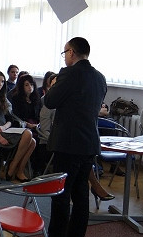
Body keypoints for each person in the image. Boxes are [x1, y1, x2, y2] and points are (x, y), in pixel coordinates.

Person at [31, 37, 107, 237]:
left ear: (72, 52)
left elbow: (50, 101)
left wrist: (53, 88)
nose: (64, 57)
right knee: (81, 192)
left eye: (65, 53)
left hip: (68, 143)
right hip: (89, 142)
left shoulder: (69, 73)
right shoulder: (100, 77)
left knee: (61, 193)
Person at [39, 74, 115, 204]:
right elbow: (44, 129)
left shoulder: (72, 102)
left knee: (81, 156)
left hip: (72, 140)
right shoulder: (48, 104)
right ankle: (95, 185)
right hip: (55, 141)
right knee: (81, 159)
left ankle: (94, 186)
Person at [0, 71, 36, 182]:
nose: (0, 84)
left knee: (33, 142)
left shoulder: (3, 96)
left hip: (4, 128)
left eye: (2, 81)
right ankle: (11, 169)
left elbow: (10, 118)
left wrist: (5, 127)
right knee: (28, 133)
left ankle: (18, 171)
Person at [10, 74, 43, 175]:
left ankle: (38, 169)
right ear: (22, 87)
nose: (30, 87)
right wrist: (28, 125)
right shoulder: (16, 99)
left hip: (36, 125)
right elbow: (16, 117)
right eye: (27, 85)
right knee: (35, 139)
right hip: (22, 126)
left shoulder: (36, 99)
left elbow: (39, 115)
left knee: (43, 140)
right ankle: (23, 169)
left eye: (32, 85)